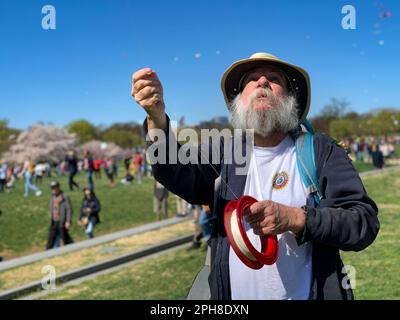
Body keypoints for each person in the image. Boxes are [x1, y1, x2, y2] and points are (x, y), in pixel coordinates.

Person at [132, 52, 380, 300]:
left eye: (273, 78)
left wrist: (297, 218)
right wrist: (156, 118)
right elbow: (175, 172)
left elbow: (363, 223)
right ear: (239, 99)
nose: (262, 82)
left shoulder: (321, 150)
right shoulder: (225, 150)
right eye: (251, 79)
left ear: (290, 98)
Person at [46, 181, 74, 249]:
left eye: (55, 188)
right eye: (52, 188)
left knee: (65, 239)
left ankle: (72, 248)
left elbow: (68, 209)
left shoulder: (64, 196)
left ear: (58, 187)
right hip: (54, 222)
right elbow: (51, 208)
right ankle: (46, 254)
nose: (54, 190)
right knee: (50, 240)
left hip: (62, 221)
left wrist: (68, 221)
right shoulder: (52, 197)